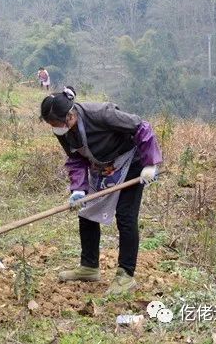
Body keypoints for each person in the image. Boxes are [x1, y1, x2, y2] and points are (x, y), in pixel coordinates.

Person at [40, 87, 162, 295]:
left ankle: (125, 275)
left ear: (70, 116)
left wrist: (150, 163)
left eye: (58, 124)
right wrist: (78, 189)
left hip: (129, 162)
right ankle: (89, 267)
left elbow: (141, 126)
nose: (57, 129)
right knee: (86, 211)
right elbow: (76, 159)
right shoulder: (62, 130)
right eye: (52, 126)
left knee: (125, 216)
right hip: (102, 167)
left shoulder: (102, 114)